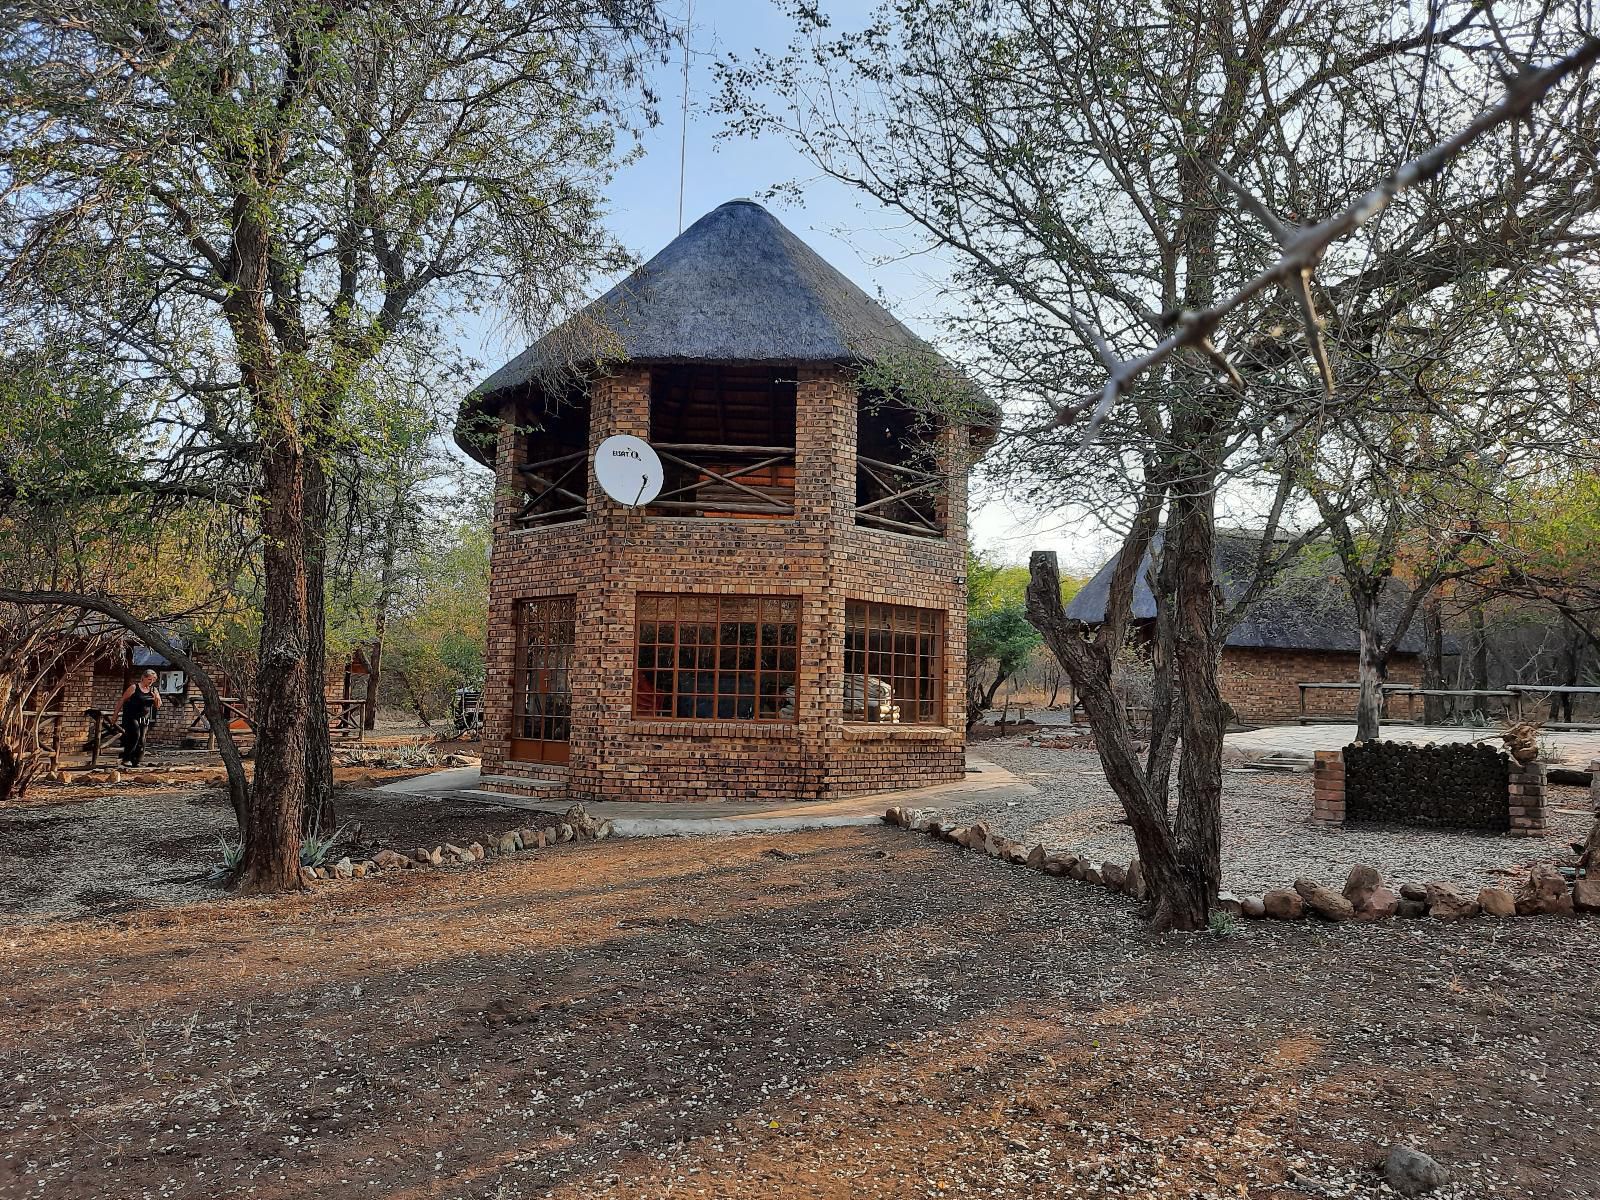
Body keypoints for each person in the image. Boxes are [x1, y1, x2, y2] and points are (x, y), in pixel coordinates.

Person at [113, 668, 162, 768]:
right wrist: (115, 715)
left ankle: (136, 761)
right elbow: (122, 700)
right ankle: (126, 758)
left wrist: (156, 698)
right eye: (149, 679)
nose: (151, 682)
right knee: (135, 734)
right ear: (143, 678)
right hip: (131, 716)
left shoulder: (153, 690)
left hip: (144, 717)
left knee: (142, 739)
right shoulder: (134, 688)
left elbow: (158, 705)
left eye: (153, 680)